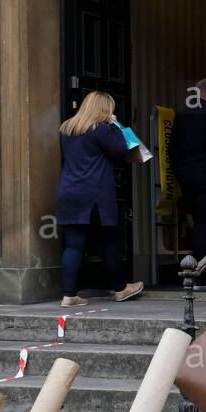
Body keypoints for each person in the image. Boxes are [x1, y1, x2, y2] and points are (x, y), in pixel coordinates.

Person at [56, 91, 144, 308]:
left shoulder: (67, 128)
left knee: (73, 246)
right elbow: (121, 149)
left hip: (69, 192)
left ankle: (69, 295)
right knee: (110, 242)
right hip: (95, 195)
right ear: (105, 109)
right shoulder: (101, 129)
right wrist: (115, 125)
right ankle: (120, 289)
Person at [169, 77, 206, 289]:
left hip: (187, 180)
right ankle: (198, 275)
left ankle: (197, 272)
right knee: (205, 226)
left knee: (197, 225)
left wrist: (179, 174)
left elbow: (172, 151)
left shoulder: (182, 115)